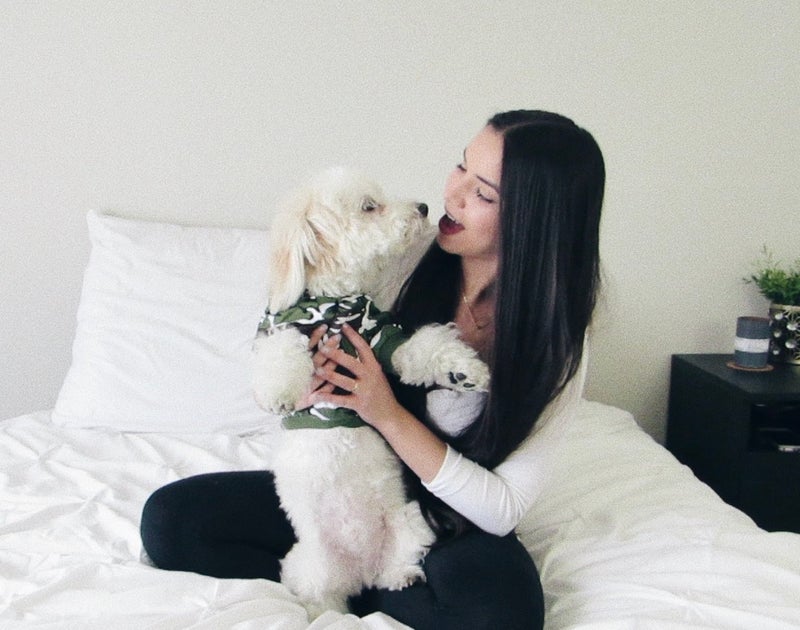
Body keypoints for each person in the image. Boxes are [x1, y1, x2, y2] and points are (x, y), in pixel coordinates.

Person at [140, 110, 605, 630]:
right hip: (340, 480)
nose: (452, 195)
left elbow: (502, 510)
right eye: (461, 166)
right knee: (170, 521)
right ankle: (342, 575)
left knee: (505, 616)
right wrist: (300, 386)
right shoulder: (403, 250)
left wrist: (384, 411)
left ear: (534, 221)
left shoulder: (556, 341)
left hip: (442, 514)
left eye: (483, 194)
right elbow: (289, 342)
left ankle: (359, 583)